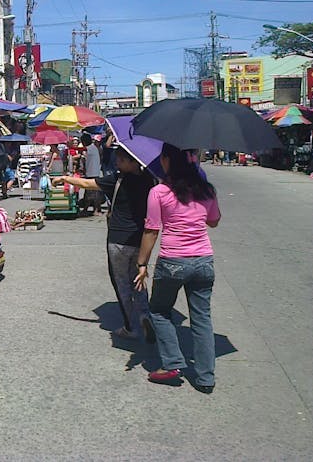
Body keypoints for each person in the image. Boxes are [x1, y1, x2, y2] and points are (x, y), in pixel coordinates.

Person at [134, 143, 221, 394]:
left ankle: (172, 362)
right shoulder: (206, 190)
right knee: (202, 317)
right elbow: (213, 222)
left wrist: (142, 263)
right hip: (204, 260)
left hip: (173, 262)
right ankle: (206, 377)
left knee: (159, 311)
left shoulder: (159, 192)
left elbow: (151, 230)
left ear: (166, 160)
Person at [53, 146, 156, 340]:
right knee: (138, 278)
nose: (117, 162)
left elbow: (86, 183)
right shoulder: (149, 180)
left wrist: (65, 178)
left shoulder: (117, 179)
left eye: (121, 160)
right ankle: (144, 314)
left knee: (122, 283)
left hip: (117, 240)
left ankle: (129, 327)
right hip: (140, 240)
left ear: (132, 162)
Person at [80, 133, 103, 215]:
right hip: (94, 172)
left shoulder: (88, 149)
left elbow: (82, 153)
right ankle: (93, 209)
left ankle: (92, 209)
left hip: (91, 173)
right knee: (92, 192)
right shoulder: (94, 148)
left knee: (91, 192)